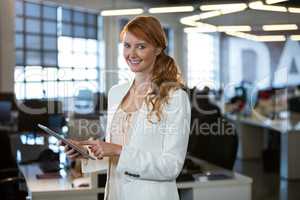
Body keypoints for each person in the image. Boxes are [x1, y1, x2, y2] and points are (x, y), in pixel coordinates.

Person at [62, 16, 191, 200]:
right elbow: (114, 154)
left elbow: (171, 166)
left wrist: (117, 150)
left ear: (158, 49)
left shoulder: (175, 98)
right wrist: (86, 152)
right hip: (116, 193)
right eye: (127, 45)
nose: (131, 54)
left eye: (141, 46)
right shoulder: (116, 93)